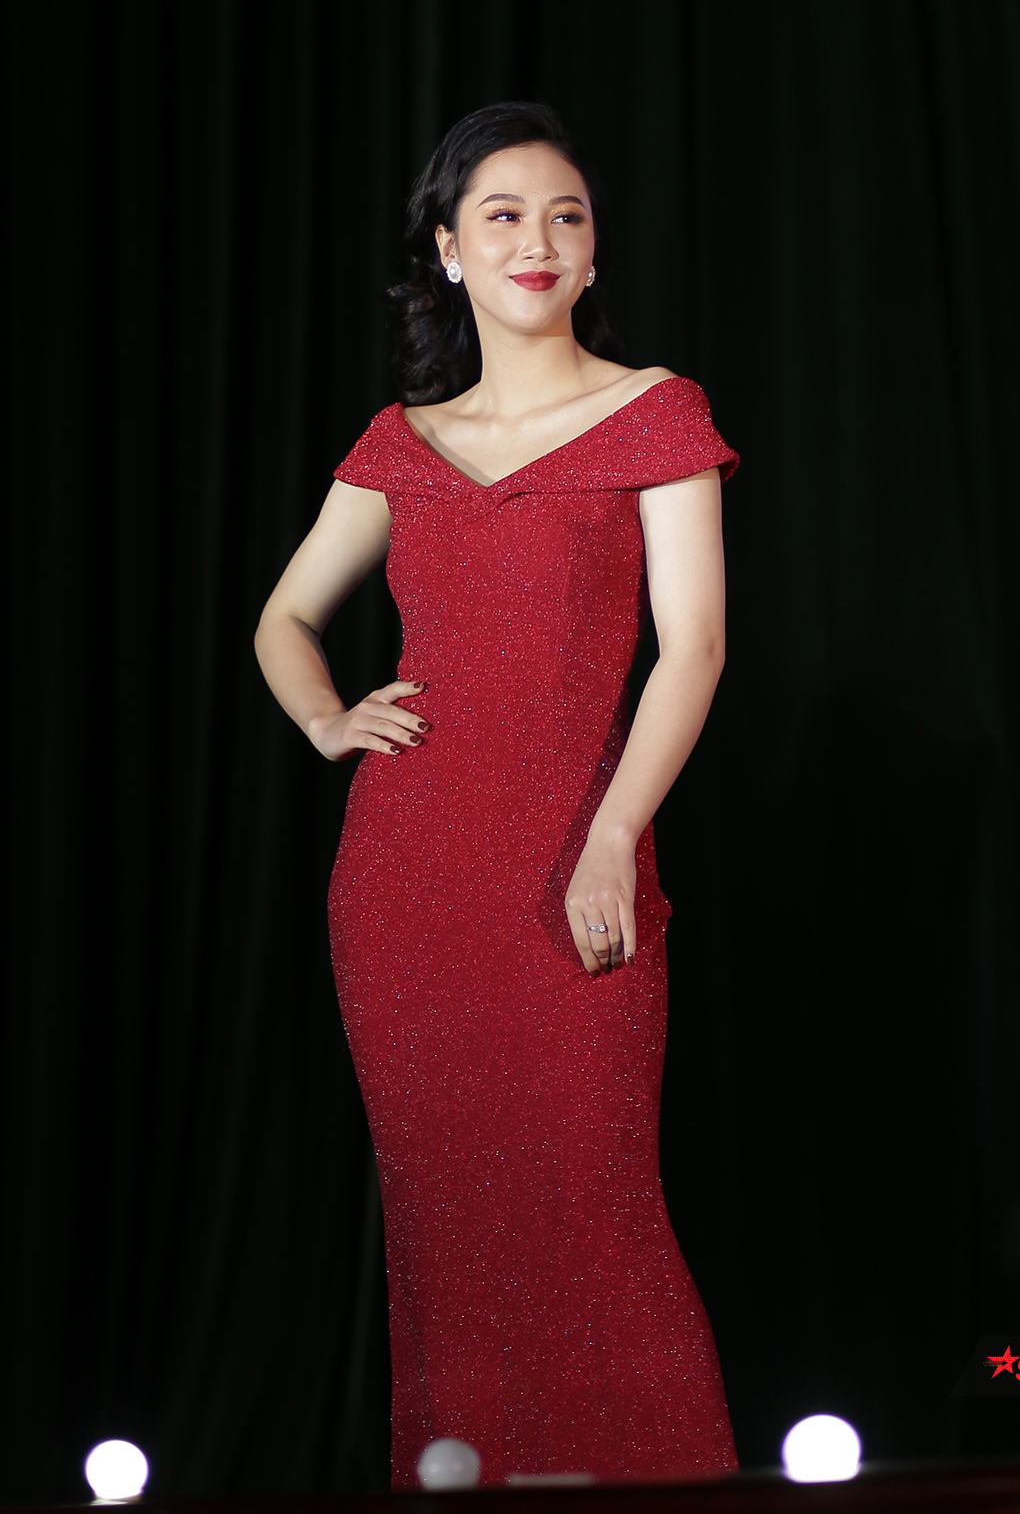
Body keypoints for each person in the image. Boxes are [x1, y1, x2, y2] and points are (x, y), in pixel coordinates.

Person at [255, 103, 739, 1485]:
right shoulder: (402, 441)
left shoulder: (654, 410)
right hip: (404, 886)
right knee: (446, 1237)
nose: (540, 238)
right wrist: (328, 720)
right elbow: (284, 618)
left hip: (580, 859)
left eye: (566, 215)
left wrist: (614, 837)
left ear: (592, 253)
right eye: (505, 214)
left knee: (596, 1213)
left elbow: (694, 648)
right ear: (450, 251)